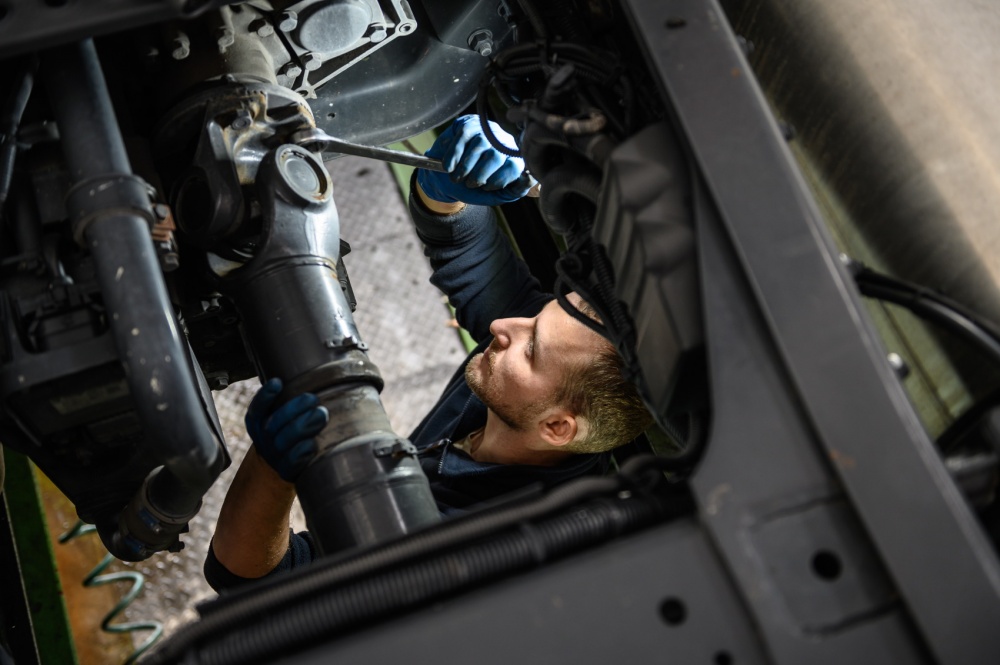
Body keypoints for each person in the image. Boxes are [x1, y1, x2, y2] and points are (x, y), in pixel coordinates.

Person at [205, 115, 652, 591]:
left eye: (532, 349)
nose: (502, 327)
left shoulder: (467, 545)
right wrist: (449, 184)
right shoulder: (539, 382)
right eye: (537, 317)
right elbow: (462, 245)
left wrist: (272, 471)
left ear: (558, 427)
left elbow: (246, 579)